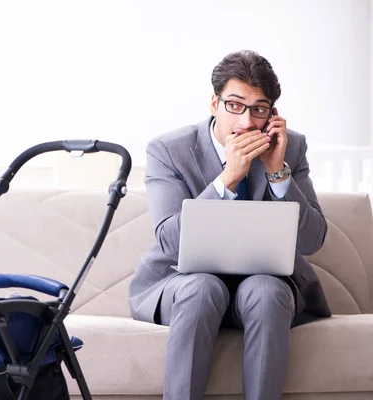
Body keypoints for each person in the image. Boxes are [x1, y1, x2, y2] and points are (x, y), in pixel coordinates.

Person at [128, 50, 331, 400]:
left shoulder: (290, 147)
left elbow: (312, 241)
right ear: (214, 104)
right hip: (182, 283)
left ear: (272, 114)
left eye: (259, 109)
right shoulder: (168, 150)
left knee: (267, 291)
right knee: (201, 288)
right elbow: (169, 241)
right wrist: (228, 178)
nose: (247, 122)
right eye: (235, 105)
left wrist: (277, 172)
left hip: (265, 285)